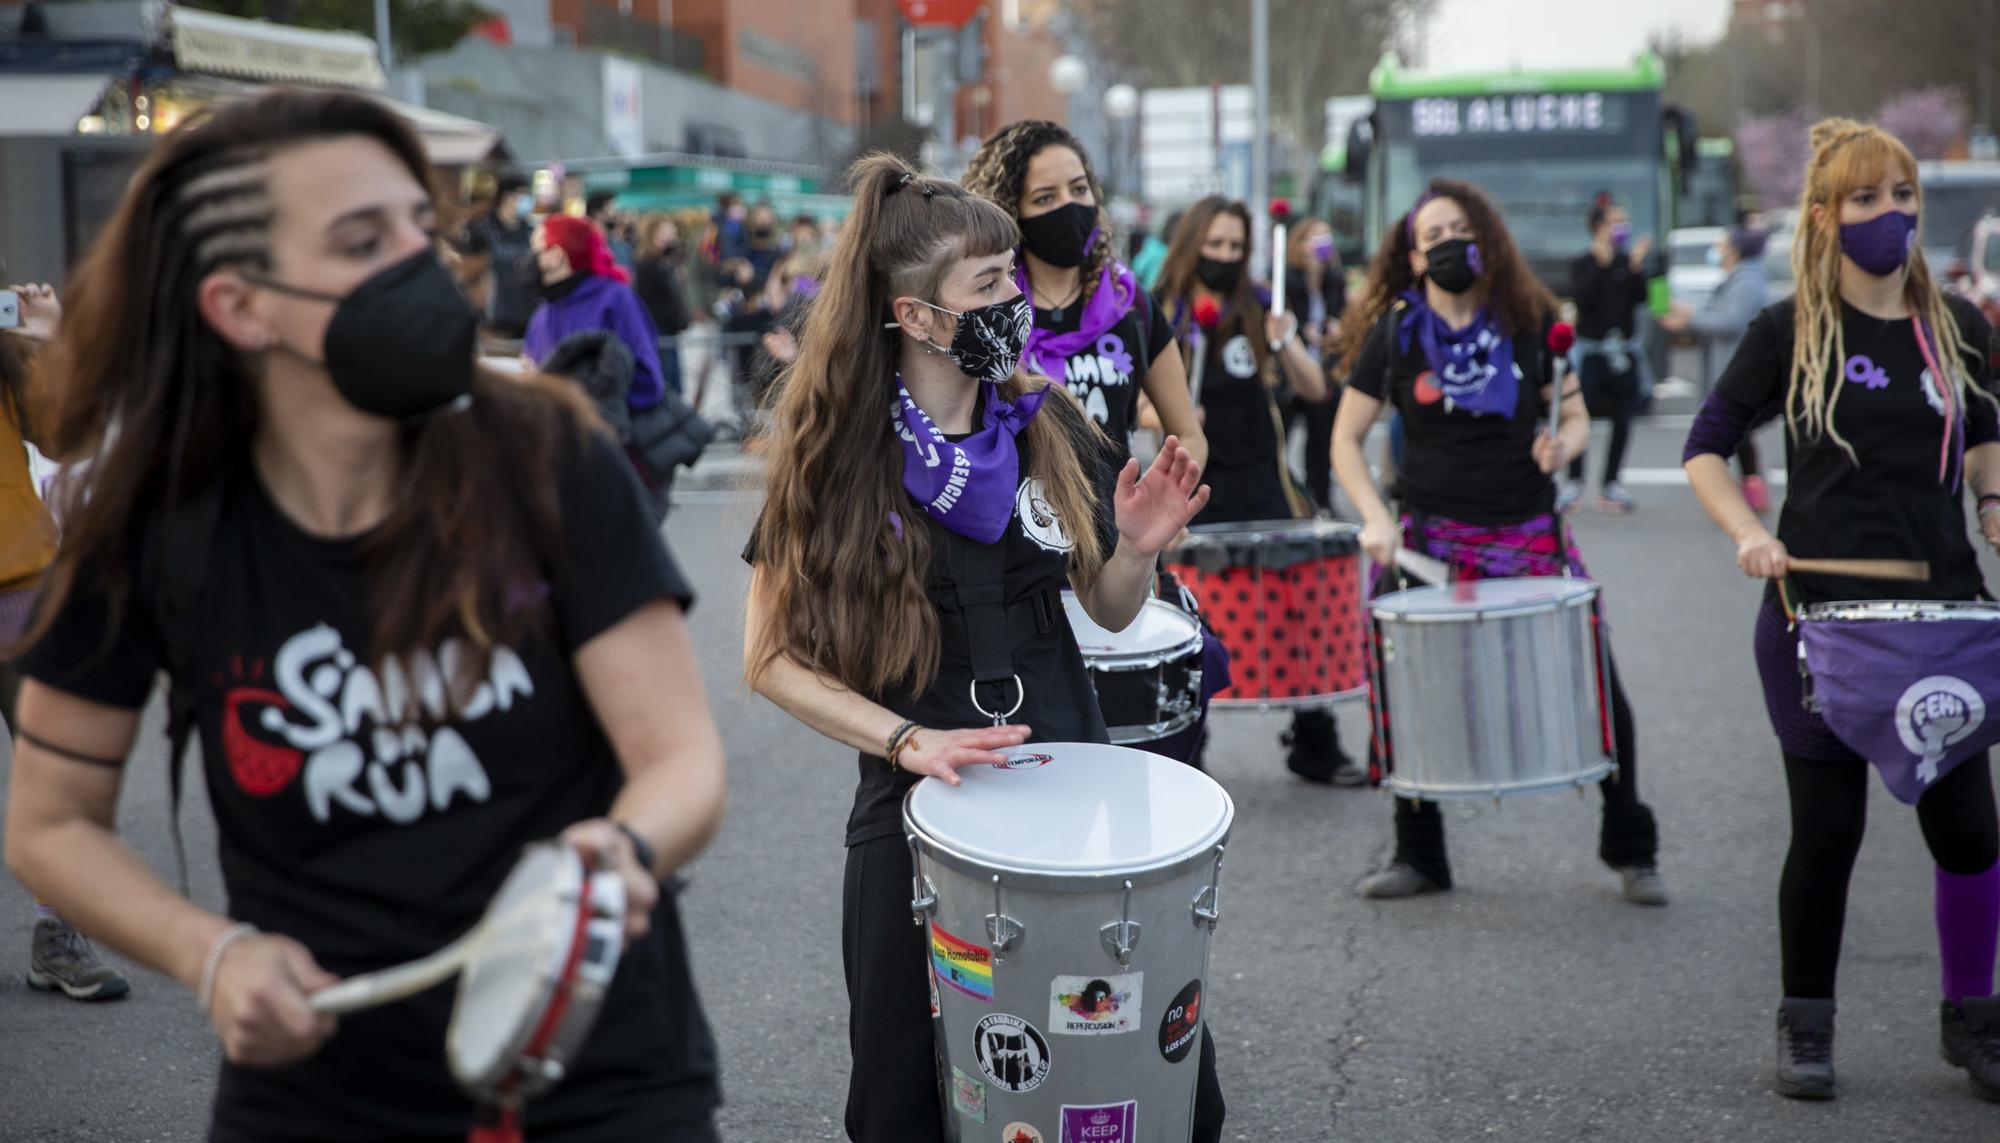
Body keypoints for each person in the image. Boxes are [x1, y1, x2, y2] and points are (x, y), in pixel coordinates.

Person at [0, 90, 727, 1141]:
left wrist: (619, 848)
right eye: (360, 238)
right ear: (240, 305)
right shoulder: (157, 521)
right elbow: (50, 822)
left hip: (595, 1072)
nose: (418, 265)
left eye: (417, 232)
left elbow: (680, 759)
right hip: (318, 1095)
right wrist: (208, 954)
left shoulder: (546, 454)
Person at [742, 154, 1223, 1143]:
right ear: (916, 316)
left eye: (1012, 275)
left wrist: (1135, 548)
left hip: (1068, 769)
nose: (1017, 301)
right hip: (916, 792)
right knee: (896, 1095)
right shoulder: (837, 454)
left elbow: (1112, 608)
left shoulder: (1045, 418)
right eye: (990, 283)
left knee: (1140, 1066)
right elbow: (767, 657)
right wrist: (907, 741)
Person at [1682, 119, 2000, 1102]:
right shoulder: (1786, 331)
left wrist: (1990, 505)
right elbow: (1704, 444)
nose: (1888, 215)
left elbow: (1985, 433)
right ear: (1823, 218)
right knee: (1825, 832)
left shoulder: (1955, 327)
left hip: (1939, 618)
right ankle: (1804, 1025)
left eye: (1900, 195)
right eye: (1864, 199)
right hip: (1817, 621)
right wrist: (1745, 530)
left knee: (1968, 834)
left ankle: (1972, 1021)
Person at [1331, 179, 1666, 903]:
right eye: (1433, 236)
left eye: (1460, 228)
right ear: (1415, 258)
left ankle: (1630, 842)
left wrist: (1562, 444)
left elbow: (1573, 416)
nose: (1449, 243)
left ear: (1485, 237)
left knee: (1598, 682)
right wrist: (1375, 516)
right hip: (1430, 540)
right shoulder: (1396, 333)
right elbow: (1345, 440)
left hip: (1529, 535)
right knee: (1404, 688)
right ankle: (1420, 850)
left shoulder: (1530, 320)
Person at [1155, 195, 1360, 785]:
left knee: (1296, 609)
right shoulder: (1165, 313)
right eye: (1214, 245)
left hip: (1265, 483)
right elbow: (1140, 405)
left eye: (1235, 247)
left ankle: (1315, 740)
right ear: (1193, 246)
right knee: (1193, 620)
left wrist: (1286, 339)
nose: (1223, 256)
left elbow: (1316, 387)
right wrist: (1162, 411)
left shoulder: (1263, 305)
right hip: (1196, 486)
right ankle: (1191, 750)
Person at [2, 279, 132, 1001]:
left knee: (55, 771)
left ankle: (59, 934)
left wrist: (46, 339)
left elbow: (64, 433)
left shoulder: (7, 345)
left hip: (18, 581)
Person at [962, 119, 1206, 468]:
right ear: (1010, 211)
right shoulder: (992, 313)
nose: (1069, 206)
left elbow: (1189, 434)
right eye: (1045, 197)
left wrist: (1163, 498)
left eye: (1078, 189)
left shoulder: (1130, 304)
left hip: (1118, 522)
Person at [1661, 223, 1773, 511]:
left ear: (1734, 250)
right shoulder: (1739, 278)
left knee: (1727, 429)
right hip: (1733, 365)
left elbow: (1731, 322)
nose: (1717, 250)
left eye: (1721, 244)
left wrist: (1691, 318)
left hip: (1739, 368)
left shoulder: (1747, 280)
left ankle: (1736, 489)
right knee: (1736, 430)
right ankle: (1747, 487)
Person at [1563, 198, 1658, 514]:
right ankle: (1574, 482)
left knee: (1623, 417)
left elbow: (1641, 299)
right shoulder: (1584, 263)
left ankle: (1611, 483)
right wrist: (1602, 266)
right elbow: (1582, 299)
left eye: (1624, 222)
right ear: (1599, 227)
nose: (1622, 229)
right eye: (1616, 222)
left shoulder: (1626, 262)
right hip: (1591, 353)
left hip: (1623, 354)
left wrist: (1635, 269)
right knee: (1579, 415)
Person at [525, 214, 670, 400]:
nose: (529, 258)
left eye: (534, 249)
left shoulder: (614, 299)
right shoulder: (545, 310)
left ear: (555, 256)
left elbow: (646, 379)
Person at [1283, 217, 1347, 511]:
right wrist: (1300, 331)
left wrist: (1336, 329)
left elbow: (1341, 317)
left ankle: (1319, 498)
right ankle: (1286, 493)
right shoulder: (1287, 280)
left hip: (1322, 371)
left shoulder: (1334, 279)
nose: (1323, 245)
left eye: (1327, 238)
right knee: (1279, 434)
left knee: (1322, 439)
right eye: (1315, 238)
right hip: (1291, 372)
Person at [462, 170, 538, 339]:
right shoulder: (483, 230)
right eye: (523, 195)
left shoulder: (530, 232)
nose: (528, 201)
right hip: (494, 319)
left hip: (528, 317)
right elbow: (469, 272)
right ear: (507, 196)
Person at [633, 215, 692, 394]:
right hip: (659, 332)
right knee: (668, 385)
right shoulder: (648, 266)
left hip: (669, 331)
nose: (671, 238)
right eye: (665, 233)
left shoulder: (667, 265)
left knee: (675, 384)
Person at [586, 190, 635, 276]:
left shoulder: (620, 245)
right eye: (611, 209)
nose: (616, 214)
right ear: (597, 213)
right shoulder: (585, 244)